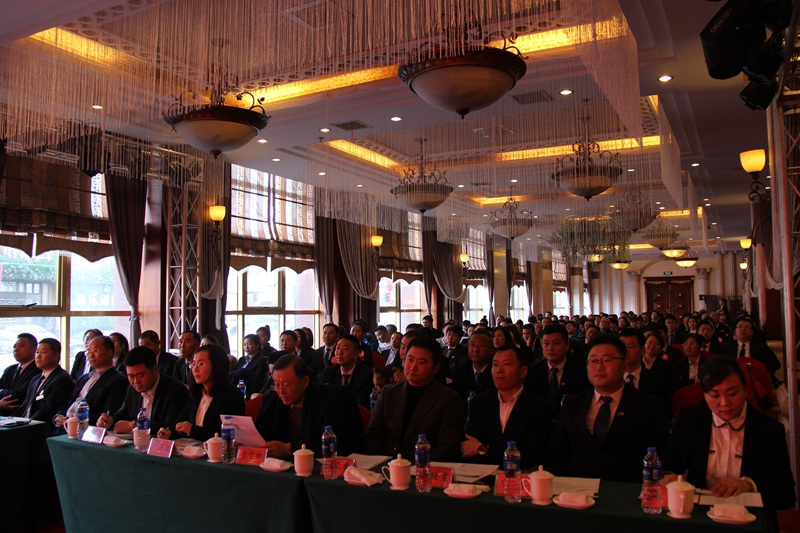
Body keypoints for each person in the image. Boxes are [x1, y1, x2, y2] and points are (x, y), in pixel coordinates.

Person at [663, 356, 795, 509]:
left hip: (748, 514)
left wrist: (749, 485)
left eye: (732, 393)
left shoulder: (768, 429)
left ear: (745, 389)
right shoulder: (688, 421)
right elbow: (669, 466)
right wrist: (670, 477)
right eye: (715, 395)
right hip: (697, 512)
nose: (725, 403)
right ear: (704, 394)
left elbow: (786, 496)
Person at [546, 335, 669, 482]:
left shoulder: (648, 405)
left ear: (624, 364)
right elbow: (557, 453)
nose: (599, 367)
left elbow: (659, 455)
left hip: (627, 489)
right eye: (593, 361)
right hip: (576, 489)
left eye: (606, 360)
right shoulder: (572, 404)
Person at [365, 337, 463, 461]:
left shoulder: (448, 399)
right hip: (386, 465)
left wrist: (414, 465)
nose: (413, 367)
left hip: (423, 466)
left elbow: (447, 448)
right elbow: (373, 435)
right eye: (410, 360)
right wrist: (383, 462)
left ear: (435, 368)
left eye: (421, 362)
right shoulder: (389, 392)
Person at [254, 354, 363, 458]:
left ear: (305, 382)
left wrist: (290, 449)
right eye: (276, 384)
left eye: (286, 385)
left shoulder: (331, 399)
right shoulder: (272, 398)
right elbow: (261, 434)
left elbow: (337, 442)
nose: (281, 391)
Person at [461, 345, 552, 469]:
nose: (499, 370)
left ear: (523, 371)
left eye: (507, 364)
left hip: (521, 476)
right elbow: (469, 447)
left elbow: (529, 455)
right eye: (495, 364)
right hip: (484, 475)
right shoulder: (480, 402)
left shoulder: (539, 407)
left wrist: (483, 450)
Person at [157, 344, 245, 441]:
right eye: (193, 364)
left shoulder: (233, 396)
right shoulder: (197, 394)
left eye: (201, 364)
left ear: (217, 366)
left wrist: (193, 430)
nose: (195, 369)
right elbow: (181, 422)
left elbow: (228, 436)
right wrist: (169, 432)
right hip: (191, 447)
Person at [98, 346, 189, 434]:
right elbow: (123, 413)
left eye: (140, 375)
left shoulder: (176, 390)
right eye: (131, 376)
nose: (136, 381)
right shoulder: (132, 389)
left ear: (155, 370)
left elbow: (171, 426)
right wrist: (110, 421)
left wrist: (135, 425)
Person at [54, 336, 128, 427]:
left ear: (109, 352)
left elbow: (108, 412)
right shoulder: (83, 378)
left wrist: (79, 420)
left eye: (96, 350)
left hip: (87, 428)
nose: (91, 355)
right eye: (88, 352)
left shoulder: (118, 380)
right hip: (65, 425)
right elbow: (69, 401)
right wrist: (59, 415)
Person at [525, 324, 590, 416]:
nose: (550, 348)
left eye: (556, 343)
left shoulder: (580, 373)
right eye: (546, 343)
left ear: (567, 345)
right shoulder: (532, 372)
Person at [14, 338, 73, 429]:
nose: (38, 356)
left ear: (55, 355)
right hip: (23, 423)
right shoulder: (35, 379)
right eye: (37, 352)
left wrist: (25, 424)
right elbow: (25, 406)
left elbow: (47, 411)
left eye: (43, 352)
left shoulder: (61, 379)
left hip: (38, 427)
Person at [618, 328, 672, 412]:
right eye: (622, 347)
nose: (626, 351)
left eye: (631, 347)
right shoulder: (610, 379)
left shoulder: (657, 380)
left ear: (642, 351)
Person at [720, 318, 781, 384]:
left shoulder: (761, 347)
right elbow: (720, 365)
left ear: (752, 332)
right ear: (735, 331)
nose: (743, 329)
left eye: (746, 327)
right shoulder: (727, 347)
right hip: (733, 380)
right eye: (740, 326)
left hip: (756, 382)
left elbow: (775, 364)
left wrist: (763, 376)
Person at [321, 334, 373, 408]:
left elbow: (362, 403)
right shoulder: (329, 372)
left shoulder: (366, 374)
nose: (339, 353)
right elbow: (324, 399)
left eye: (345, 349)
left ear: (356, 354)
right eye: (337, 348)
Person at [0, 333, 42, 414]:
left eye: (21, 346)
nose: (16, 349)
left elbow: (19, 395)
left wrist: (1, 391)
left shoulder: (38, 370)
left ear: (34, 349)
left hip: (20, 415)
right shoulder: (10, 369)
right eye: (14, 347)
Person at [450, 329, 495, 403]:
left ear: (491, 350)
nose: (475, 349)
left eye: (481, 345)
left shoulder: (496, 370)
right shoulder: (461, 370)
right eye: (472, 345)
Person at [231, 333, 268, 399]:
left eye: (249, 344)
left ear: (257, 345)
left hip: (249, 388)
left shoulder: (262, 360)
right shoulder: (242, 359)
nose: (246, 347)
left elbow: (258, 377)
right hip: (237, 385)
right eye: (244, 345)